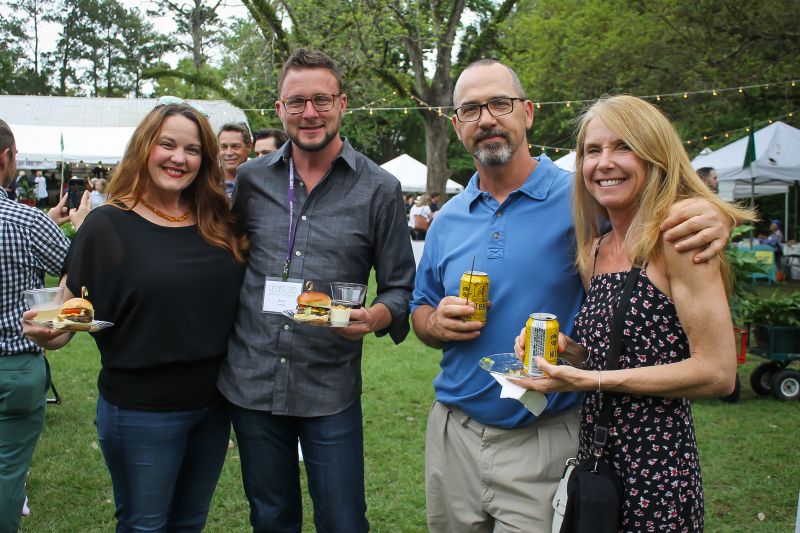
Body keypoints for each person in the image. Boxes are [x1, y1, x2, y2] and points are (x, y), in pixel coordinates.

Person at [410, 60, 733, 532]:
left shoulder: (583, 198)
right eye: (470, 109)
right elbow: (420, 310)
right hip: (452, 434)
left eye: (500, 103)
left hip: (544, 435)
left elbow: (654, 206)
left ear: (528, 113)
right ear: (456, 124)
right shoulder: (448, 218)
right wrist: (435, 323)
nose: (487, 119)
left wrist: (714, 215)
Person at [511, 94, 754, 531]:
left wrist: (594, 381)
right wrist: (568, 353)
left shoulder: (678, 239)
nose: (604, 162)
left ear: (656, 156)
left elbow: (718, 372)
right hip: (598, 459)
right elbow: (619, 352)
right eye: (592, 150)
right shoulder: (597, 248)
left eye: (623, 147)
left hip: (658, 467)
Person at [23, 97, 248, 532]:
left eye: (193, 149)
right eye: (168, 145)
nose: (179, 158)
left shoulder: (218, 222)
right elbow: (69, 315)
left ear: (205, 160)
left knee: (189, 523)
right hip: (141, 409)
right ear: (145, 147)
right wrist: (46, 332)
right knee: (144, 525)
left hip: (214, 404)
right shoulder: (107, 225)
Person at [217, 48, 415, 533]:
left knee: (345, 521)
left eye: (322, 100)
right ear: (280, 109)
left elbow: (400, 288)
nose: (310, 113)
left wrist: (377, 318)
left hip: (329, 386)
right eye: (297, 101)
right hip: (253, 380)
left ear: (342, 104)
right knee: (271, 518)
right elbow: (220, 262)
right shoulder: (250, 179)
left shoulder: (380, 188)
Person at [0, 119, 89, 533]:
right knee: (7, 473)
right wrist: (82, 229)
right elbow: (78, 268)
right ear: (6, 158)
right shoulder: (25, 222)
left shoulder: (33, 222)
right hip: (14, 365)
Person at [219, 122, 252, 198]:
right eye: (224, 147)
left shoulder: (261, 182)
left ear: (249, 146)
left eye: (235, 146)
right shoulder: (207, 183)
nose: (229, 153)